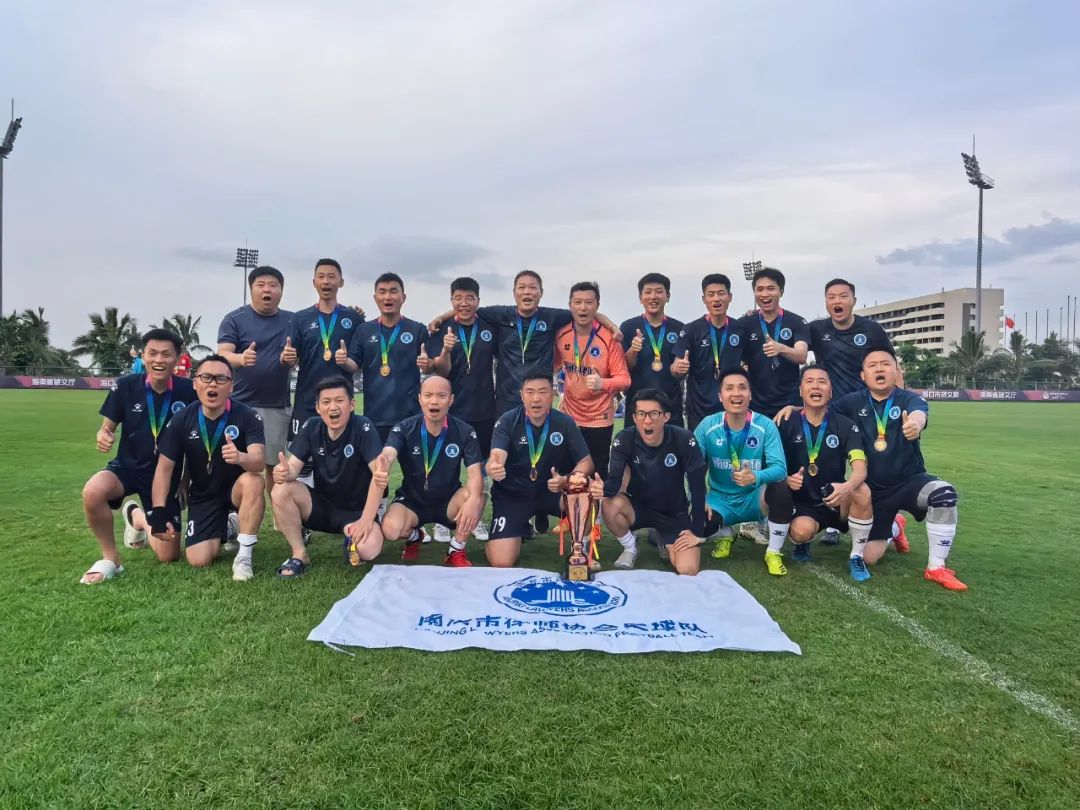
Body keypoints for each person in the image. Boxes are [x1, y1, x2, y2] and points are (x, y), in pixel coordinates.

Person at [831, 348, 967, 590]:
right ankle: (896, 526)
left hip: (909, 481)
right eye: (872, 365)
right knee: (869, 557)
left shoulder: (909, 399)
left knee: (944, 494)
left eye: (886, 364)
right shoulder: (851, 402)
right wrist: (794, 410)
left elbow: (919, 414)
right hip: (874, 490)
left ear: (896, 371)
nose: (879, 369)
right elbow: (820, 412)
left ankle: (936, 567)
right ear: (863, 375)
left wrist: (915, 424)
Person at [79, 329, 196, 584]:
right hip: (127, 469)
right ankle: (111, 558)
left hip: (166, 477)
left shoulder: (189, 391)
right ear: (143, 356)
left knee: (168, 554)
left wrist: (186, 478)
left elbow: (194, 441)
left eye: (166, 354)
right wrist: (103, 435)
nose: (158, 360)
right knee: (93, 491)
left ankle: (136, 517)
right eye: (152, 353)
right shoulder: (126, 386)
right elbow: (107, 428)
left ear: (177, 359)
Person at [429, 269, 621, 417]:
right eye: (521, 288)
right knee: (506, 452)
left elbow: (585, 311)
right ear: (514, 293)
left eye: (532, 288)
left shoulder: (551, 316)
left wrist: (612, 326)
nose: (527, 292)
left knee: (540, 451)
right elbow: (468, 308)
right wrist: (440, 318)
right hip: (507, 401)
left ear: (541, 292)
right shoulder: (501, 314)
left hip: (540, 398)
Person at [148, 355, 266, 580]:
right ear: (195, 383)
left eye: (221, 379)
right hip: (204, 494)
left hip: (236, 490)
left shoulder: (248, 415)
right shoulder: (182, 419)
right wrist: (159, 511)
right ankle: (230, 525)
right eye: (206, 378)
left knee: (253, 481)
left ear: (231, 386)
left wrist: (241, 457)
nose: (213, 384)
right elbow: (164, 468)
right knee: (198, 560)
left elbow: (259, 461)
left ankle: (244, 557)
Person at [352, 376, 486, 566]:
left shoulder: (464, 431)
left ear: (451, 400)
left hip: (448, 501)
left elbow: (474, 473)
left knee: (477, 497)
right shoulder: (404, 428)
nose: (434, 401)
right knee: (390, 529)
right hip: (412, 501)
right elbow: (389, 454)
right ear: (420, 399)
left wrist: (473, 500)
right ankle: (415, 536)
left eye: (441, 396)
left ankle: (456, 550)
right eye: (428, 395)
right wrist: (384, 460)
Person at [807, 277, 901, 548]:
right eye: (832, 297)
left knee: (871, 467)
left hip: (869, 410)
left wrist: (901, 402)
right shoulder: (816, 329)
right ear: (826, 302)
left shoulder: (871, 330)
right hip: (835, 410)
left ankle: (889, 522)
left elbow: (892, 365)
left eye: (843, 296)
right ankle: (833, 522)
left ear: (854, 301)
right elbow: (793, 342)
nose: (837, 301)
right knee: (831, 462)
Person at [269, 377, 384, 578]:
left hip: (356, 512)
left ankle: (351, 538)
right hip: (322, 507)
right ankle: (299, 554)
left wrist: (366, 519)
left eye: (339, 400)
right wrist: (286, 472)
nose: (333, 407)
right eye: (326, 402)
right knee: (280, 489)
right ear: (318, 407)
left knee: (368, 549)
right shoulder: (312, 426)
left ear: (352, 404)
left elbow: (379, 476)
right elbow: (293, 468)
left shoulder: (363, 427)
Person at [590, 389, 709, 575]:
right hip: (638, 508)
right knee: (610, 504)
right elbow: (613, 484)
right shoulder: (624, 439)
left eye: (654, 414)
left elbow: (698, 486)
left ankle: (663, 537)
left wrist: (696, 532)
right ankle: (630, 547)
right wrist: (602, 488)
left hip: (673, 513)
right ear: (634, 417)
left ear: (666, 416)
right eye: (641, 414)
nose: (647, 420)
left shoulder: (683, 439)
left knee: (687, 569)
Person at [485, 367, 593, 568]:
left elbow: (586, 462)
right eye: (530, 392)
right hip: (514, 494)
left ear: (553, 395)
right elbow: (497, 455)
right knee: (501, 561)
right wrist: (495, 466)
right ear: (521, 395)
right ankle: (518, 527)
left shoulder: (565, 422)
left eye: (543, 392)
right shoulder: (507, 420)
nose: (536, 399)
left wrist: (567, 480)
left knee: (583, 490)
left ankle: (581, 549)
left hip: (551, 491)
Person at [772, 366, 874, 577]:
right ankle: (803, 543)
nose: (816, 386)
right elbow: (772, 465)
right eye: (809, 381)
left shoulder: (846, 425)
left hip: (837, 499)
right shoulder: (786, 422)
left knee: (861, 490)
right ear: (800, 390)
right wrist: (787, 479)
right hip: (805, 503)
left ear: (831, 390)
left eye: (822, 381)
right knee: (800, 532)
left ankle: (856, 556)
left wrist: (846, 487)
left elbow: (860, 468)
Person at [694, 370, 792, 576]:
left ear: (750, 394)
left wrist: (756, 476)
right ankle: (725, 534)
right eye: (729, 388)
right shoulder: (707, 426)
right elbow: (692, 467)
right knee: (697, 523)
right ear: (720, 396)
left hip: (754, 499)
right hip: (720, 499)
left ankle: (773, 551)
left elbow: (780, 469)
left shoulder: (765, 425)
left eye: (742, 387)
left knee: (781, 488)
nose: (736, 393)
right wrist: (699, 498)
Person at [347, 272, 430, 513]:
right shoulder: (364, 331)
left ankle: (416, 519)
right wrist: (342, 360)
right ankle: (378, 515)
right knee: (377, 473)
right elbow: (353, 364)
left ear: (403, 297)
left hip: (410, 418)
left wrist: (428, 363)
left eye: (393, 291)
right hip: (375, 417)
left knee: (417, 472)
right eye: (382, 292)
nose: (388, 297)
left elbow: (431, 364)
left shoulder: (417, 329)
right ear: (375, 297)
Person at [428, 276, 497, 541]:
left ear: (478, 301)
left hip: (485, 411)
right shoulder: (443, 330)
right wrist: (445, 351)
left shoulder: (489, 326)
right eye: (458, 298)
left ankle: (477, 518)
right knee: (446, 469)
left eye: (469, 298)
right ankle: (443, 521)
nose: (464, 303)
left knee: (481, 470)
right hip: (453, 412)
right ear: (451, 300)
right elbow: (441, 371)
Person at [217, 265, 294, 493]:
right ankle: (233, 509)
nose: (267, 289)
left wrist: (292, 358)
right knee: (236, 462)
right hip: (240, 404)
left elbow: (300, 353)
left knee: (275, 465)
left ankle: (279, 510)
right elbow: (223, 354)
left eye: (273, 285)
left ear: (281, 290)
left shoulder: (292, 320)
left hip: (276, 405)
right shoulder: (234, 319)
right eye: (261, 285)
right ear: (251, 289)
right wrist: (241, 358)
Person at [281, 258, 364, 438]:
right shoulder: (300, 318)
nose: (326, 281)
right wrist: (287, 358)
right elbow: (290, 360)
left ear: (341, 282)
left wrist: (346, 361)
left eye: (331, 277)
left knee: (342, 453)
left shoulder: (354, 318)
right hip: (307, 401)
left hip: (341, 402)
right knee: (301, 454)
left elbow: (358, 362)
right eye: (321, 277)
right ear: (314, 282)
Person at [554, 281, 629, 480]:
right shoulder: (561, 334)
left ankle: (596, 502)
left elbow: (624, 380)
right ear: (570, 305)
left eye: (589, 302)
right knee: (567, 473)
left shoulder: (609, 338)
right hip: (569, 416)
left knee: (596, 476)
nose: (583, 308)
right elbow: (553, 365)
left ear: (597, 305)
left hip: (599, 419)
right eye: (577, 302)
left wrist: (602, 383)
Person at [673, 274, 749, 431]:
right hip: (699, 408)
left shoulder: (740, 329)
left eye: (721, 293)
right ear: (704, 299)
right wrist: (677, 367)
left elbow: (750, 361)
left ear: (730, 297)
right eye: (711, 294)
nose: (716, 299)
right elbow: (675, 367)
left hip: (733, 405)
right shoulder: (691, 329)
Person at [736, 266, 809, 418]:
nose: (765, 294)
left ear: (781, 291)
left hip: (790, 403)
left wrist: (781, 348)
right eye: (759, 289)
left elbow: (802, 356)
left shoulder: (796, 321)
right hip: (756, 404)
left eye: (771, 288)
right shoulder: (744, 323)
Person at [620, 273, 686, 426]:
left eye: (659, 291)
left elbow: (678, 371)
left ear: (668, 296)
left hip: (670, 405)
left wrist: (680, 368)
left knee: (672, 441)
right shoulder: (628, 327)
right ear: (640, 297)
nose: (653, 296)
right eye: (648, 292)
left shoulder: (679, 328)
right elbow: (625, 368)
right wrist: (633, 350)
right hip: (637, 405)